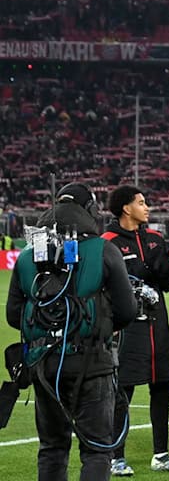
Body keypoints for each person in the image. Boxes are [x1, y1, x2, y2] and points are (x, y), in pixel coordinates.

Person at [7, 183, 136, 481]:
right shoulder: (105, 249)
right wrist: (97, 323)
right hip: (93, 362)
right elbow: (127, 311)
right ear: (89, 210)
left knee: (52, 447)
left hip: (44, 363)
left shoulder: (28, 256)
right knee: (97, 449)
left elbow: (14, 315)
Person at [102, 185, 169, 475]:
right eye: (141, 203)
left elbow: (168, 284)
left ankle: (161, 455)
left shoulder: (155, 238)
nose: (147, 207)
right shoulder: (108, 241)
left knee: (162, 387)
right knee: (122, 392)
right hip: (127, 328)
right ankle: (116, 457)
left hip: (158, 324)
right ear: (126, 208)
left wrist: (163, 268)